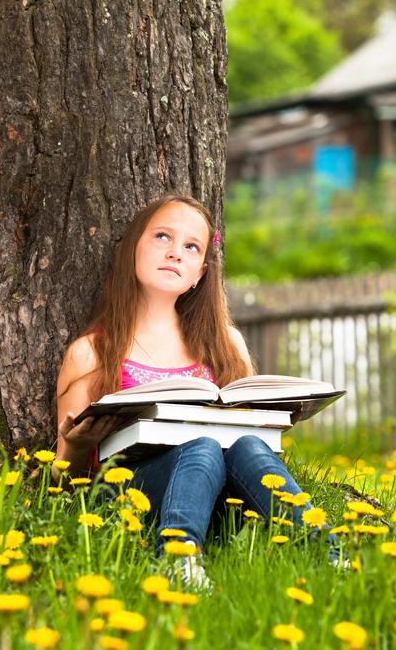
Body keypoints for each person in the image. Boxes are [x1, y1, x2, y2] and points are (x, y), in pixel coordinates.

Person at [53, 194, 331, 590]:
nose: (175, 253)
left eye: (190, 246)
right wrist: (79, 445)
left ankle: (329, 554)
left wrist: (273, 418)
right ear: (133, 246)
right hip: (130, 499)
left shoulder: (224, 344)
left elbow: (245, 436)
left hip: (219, 498)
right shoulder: (92, 352)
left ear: (200, 272)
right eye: (162, 237)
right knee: (199, 445)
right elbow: (64, 479)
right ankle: (178, 561)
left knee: (249, 446)